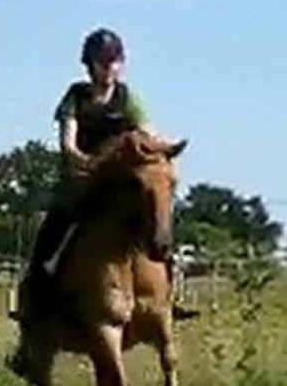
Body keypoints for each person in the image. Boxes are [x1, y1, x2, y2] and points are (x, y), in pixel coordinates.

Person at [15, 27, 188, 321]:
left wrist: (164, 149)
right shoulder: (75, 96)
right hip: (81, 182)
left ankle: (168, 298)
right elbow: (68, 140)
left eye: (114, 60)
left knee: (156, 222)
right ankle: (35, 305)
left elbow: (147, 132)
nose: (109, 67)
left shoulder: (128, 98)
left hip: (117, 184)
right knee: (49, 239)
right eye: (102, 61)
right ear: (90, 64)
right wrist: (80, 157)